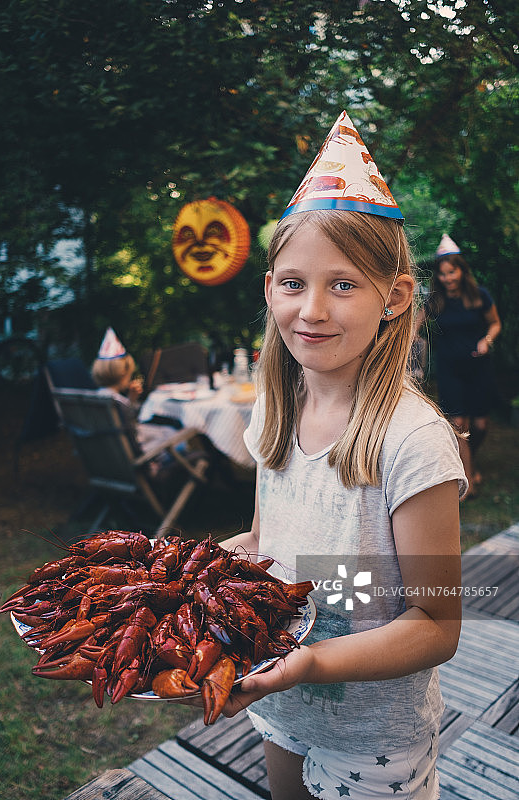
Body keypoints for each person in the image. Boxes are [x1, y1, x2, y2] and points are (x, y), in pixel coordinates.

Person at [215, 111, 467, 800]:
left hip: (374, 737)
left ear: (394, 297)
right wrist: (199, 572)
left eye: (344, 284)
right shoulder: (273, 408)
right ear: (269, 289)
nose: (312, 309)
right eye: (293, 283)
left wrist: (311, 661)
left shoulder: (410, 441)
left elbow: (435, 622)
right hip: (281, 707)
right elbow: (269, 543)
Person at [415, 235, 501, 496]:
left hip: (478, 367)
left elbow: (495, 323)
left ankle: (469, 462)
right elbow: (415, 325)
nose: (447, 279)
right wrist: (412, 340)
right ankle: (468, 482)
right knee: (459, 425)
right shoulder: (435, 301)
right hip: (450, 369)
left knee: (481, 425)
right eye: (442, 275)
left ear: (462, 270)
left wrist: (487, 340)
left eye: (451, 272)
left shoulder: (480, 296)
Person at [91, 327, 178, 456]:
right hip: (139, 453)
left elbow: (124, 418)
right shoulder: (114, 401)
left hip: (115, 454)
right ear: (122, 372)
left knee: (165, 431)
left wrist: (131, 399)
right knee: (173, 434)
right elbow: (132, 421)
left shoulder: (99, 397)